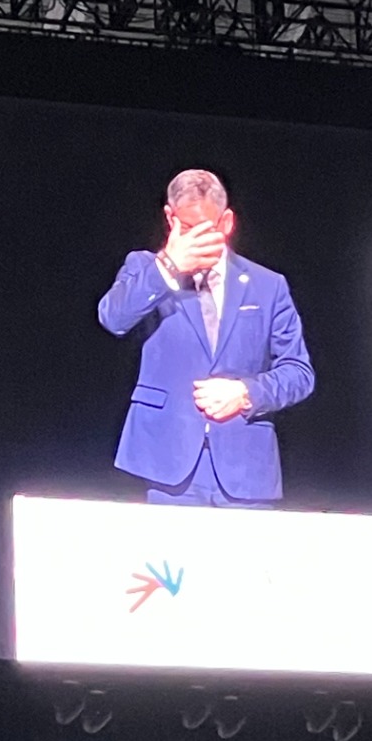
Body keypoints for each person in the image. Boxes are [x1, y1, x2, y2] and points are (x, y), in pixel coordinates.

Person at [97, 168, 314, 507]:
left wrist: (246, 393)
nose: (198, 240)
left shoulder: (268, 285)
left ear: (226, 222)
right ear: (170, 219)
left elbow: (299, 373)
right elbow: (114, 317)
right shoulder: (145, 269)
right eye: (187, 228)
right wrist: (169, 267)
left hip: (246, 468)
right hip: (168, 463)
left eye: (208, 229)